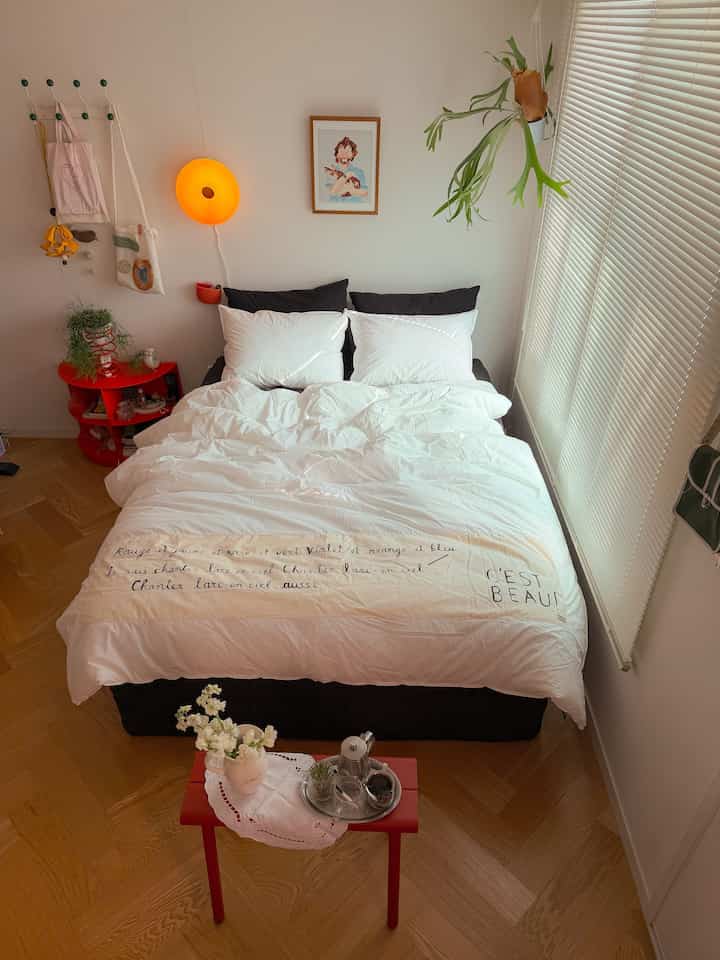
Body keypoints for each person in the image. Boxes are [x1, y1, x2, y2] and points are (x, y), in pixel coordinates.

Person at [324, 136, 368, 200]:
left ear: (353, 155)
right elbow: (332, 192)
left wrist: (349, 190)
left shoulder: (359, 171)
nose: (344, 155)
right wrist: (347, 175)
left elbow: (365, 192)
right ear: (336, 154)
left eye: (348, 152)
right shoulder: (331, 171)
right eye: (341, 152)